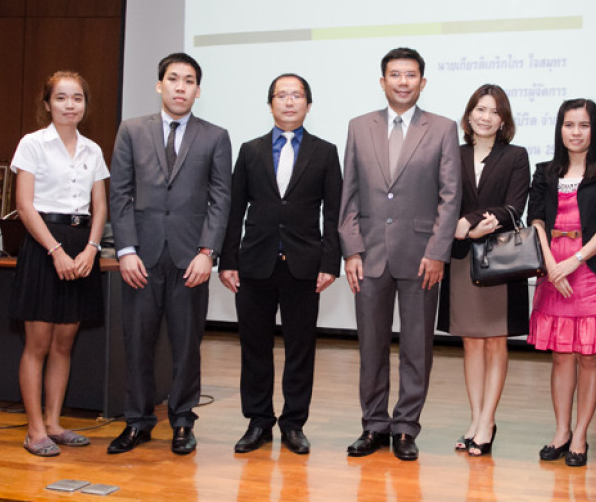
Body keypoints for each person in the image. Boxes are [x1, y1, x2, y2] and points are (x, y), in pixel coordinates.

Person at [339, 47, 461, 461]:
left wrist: (438, 251)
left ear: (422, 82)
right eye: (395, 74)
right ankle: (373, 425)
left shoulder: (443, 128)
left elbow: (450, 196)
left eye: (411, 75)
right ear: (382, 81)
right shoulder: (359, 127)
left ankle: (406, 427)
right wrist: (351, 249)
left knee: (416, 347)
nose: (403, 81)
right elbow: (349, 195)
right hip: (369, 256)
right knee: (370, 346)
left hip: (422, 257)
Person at [108, 52, 232, 455]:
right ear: (159, 85)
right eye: (174, 79)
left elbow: (220, 199)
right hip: (140, 257)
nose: (181, 87)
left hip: (189, 260)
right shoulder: (130, 131)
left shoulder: (214, 136)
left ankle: (182, 421)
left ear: (198, 89)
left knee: (186, 345)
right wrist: (125, 250)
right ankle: (138, 421)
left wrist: (207, 252)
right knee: (138, 343)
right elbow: (120, 195)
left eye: (190, 80)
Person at [219, 74, 342, 455]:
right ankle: (258, 421)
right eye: (281, 96)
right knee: (254, 346)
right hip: (254, 263)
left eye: (297, 96)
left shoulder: (325, 152)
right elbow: (234, 208)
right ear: (270, 103)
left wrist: (330, 262)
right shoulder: (250, 150)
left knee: (300, 348)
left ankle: (293, 424)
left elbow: (334, 213)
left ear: (308, 104)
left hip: (304, 265)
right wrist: (227, 260)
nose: (289, 102)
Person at [10, 71, 108, 456]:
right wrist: (55, 251)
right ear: (47, 103)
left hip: (81, 247)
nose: (71, 105)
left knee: (64, 344)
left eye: (78, 98)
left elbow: (100, 206)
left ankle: (54, 423)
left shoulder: (93, 149)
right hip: (43, 246)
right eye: (62, 98)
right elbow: (24, 205)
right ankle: (35, 430)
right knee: (38, 343)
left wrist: (91, 248)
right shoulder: (32, 144)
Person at [527, 99, 596, 467]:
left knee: (589, 358)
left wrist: (574, 260)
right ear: (560, 129)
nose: (575, 132)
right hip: (554, 272)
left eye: (583, 125)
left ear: (594, 130)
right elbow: (535, 220)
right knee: (561, 358)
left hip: (592, 271)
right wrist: (552, 263)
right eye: (569, 125)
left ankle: (581, 434)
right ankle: (561, 431)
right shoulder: (544, 172)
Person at [436, 84, 529, 457]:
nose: (485, 116)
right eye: (479, 108)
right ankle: (475, 419)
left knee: (495, 341)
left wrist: (469, 224)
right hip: (461, 260)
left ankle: (488, 422)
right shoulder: (452, 154)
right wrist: (463, 228)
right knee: (471, 342)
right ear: (469, 114)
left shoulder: (516, 156)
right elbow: (441, 200)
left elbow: (513, 208)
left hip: (499, 262)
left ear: (502, 119)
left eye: (493, 111)